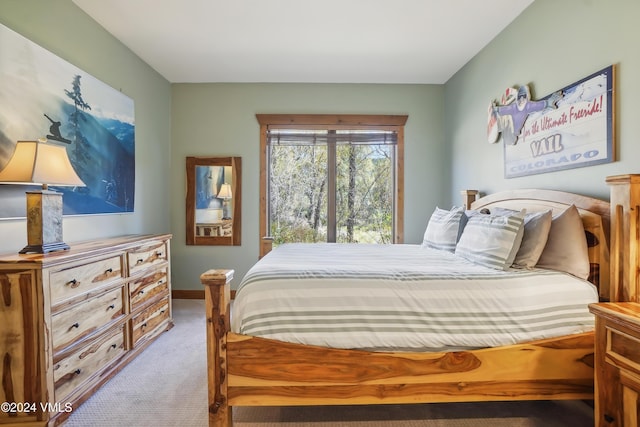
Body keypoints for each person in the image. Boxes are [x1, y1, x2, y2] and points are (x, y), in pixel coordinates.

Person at [493, 85, 562, 145]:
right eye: (520, 97)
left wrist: (548, 102)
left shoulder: (528, 106)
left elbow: (537, 105)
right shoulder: (515, 107)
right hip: (510, 124)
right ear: (517, 98)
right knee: (506, 119)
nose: (522, 99)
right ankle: (497, 123)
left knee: (510, 140)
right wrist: (497, 109)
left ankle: (498, 124)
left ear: (526, 97)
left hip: (514, 130)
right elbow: (507, 109)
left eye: (523, 96)